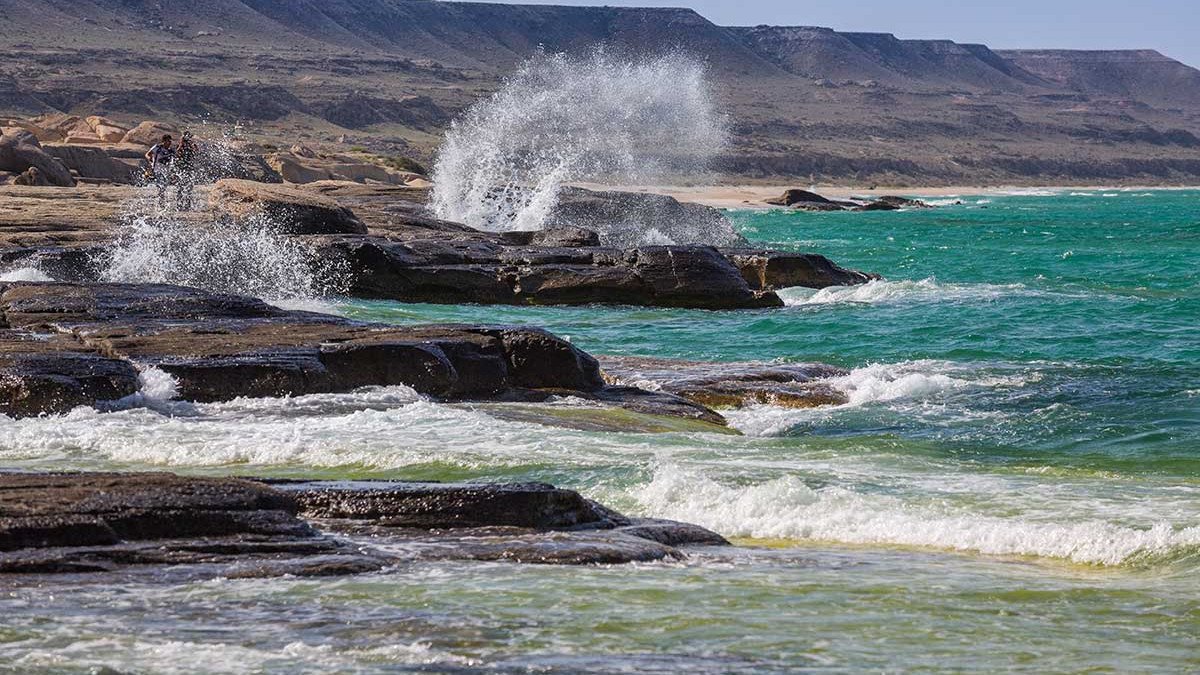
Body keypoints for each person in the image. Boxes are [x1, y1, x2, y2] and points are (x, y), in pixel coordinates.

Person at [144, 134, 175, 207]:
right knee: (162, 187)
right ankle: (161, 203)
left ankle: (161, 201)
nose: (170, 142)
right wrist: (149, 159)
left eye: (170, 141)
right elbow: (147, 154)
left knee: (163, 187)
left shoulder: (171, 151)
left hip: (166, 172)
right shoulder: (157, 147)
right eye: (168, 141)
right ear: (164, 141)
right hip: (157, 170)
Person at [173, 131, 199, 211]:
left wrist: (192, 144)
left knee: (189, 188)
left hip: (189, 168)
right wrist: (181, 144)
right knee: (180, 188)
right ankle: (179, 205)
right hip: (180, 169)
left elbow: (196, 151)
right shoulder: (179, 146)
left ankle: (187, 205)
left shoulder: (191, 146)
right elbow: (176, 154)